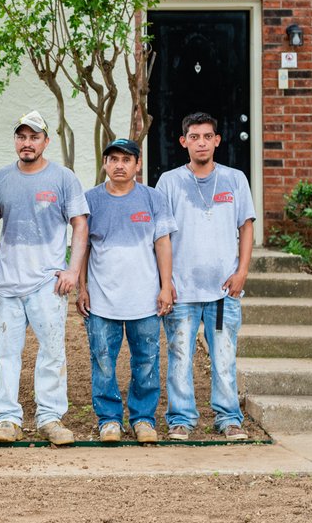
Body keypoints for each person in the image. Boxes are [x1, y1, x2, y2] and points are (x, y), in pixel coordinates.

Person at [0, 110, 88, 445]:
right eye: (21, 137)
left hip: (47, 283)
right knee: (6, 352)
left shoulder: (63, 179)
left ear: (46, 141)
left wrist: (72, 270)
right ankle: (7, 419)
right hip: (7, 283)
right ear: (16, 140)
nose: (27, 143)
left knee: (52, 351)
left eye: (34, 137)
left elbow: (80, 224)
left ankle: (50, 417)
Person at [155, 112, 255, 441]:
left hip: (223, 293)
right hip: (183, 291)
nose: (201, 142)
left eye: (207, 136)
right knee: (180, 355)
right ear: (183, 141)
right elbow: (162, 236)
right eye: (194, 137)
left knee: (223, 354)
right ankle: (181, 419)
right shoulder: (169, 182)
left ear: (217, 140)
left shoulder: (235, 179)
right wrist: (166, 283)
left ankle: (228, 418)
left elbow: (246, 227)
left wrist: (242, 272)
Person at [76, 138, 176, 444]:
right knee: (103, 360)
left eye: (126, 159)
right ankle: (109, 420)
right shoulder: (89, 200)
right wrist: (81, 288)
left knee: (146, 360)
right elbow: (82, 247)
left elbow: (162, 244)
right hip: (102, 300)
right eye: (114, 159)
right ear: (105, 163)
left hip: (144, 299)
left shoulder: (153, 198)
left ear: (138, 164)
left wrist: (166, 286)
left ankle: (143, 419)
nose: (120, 165)